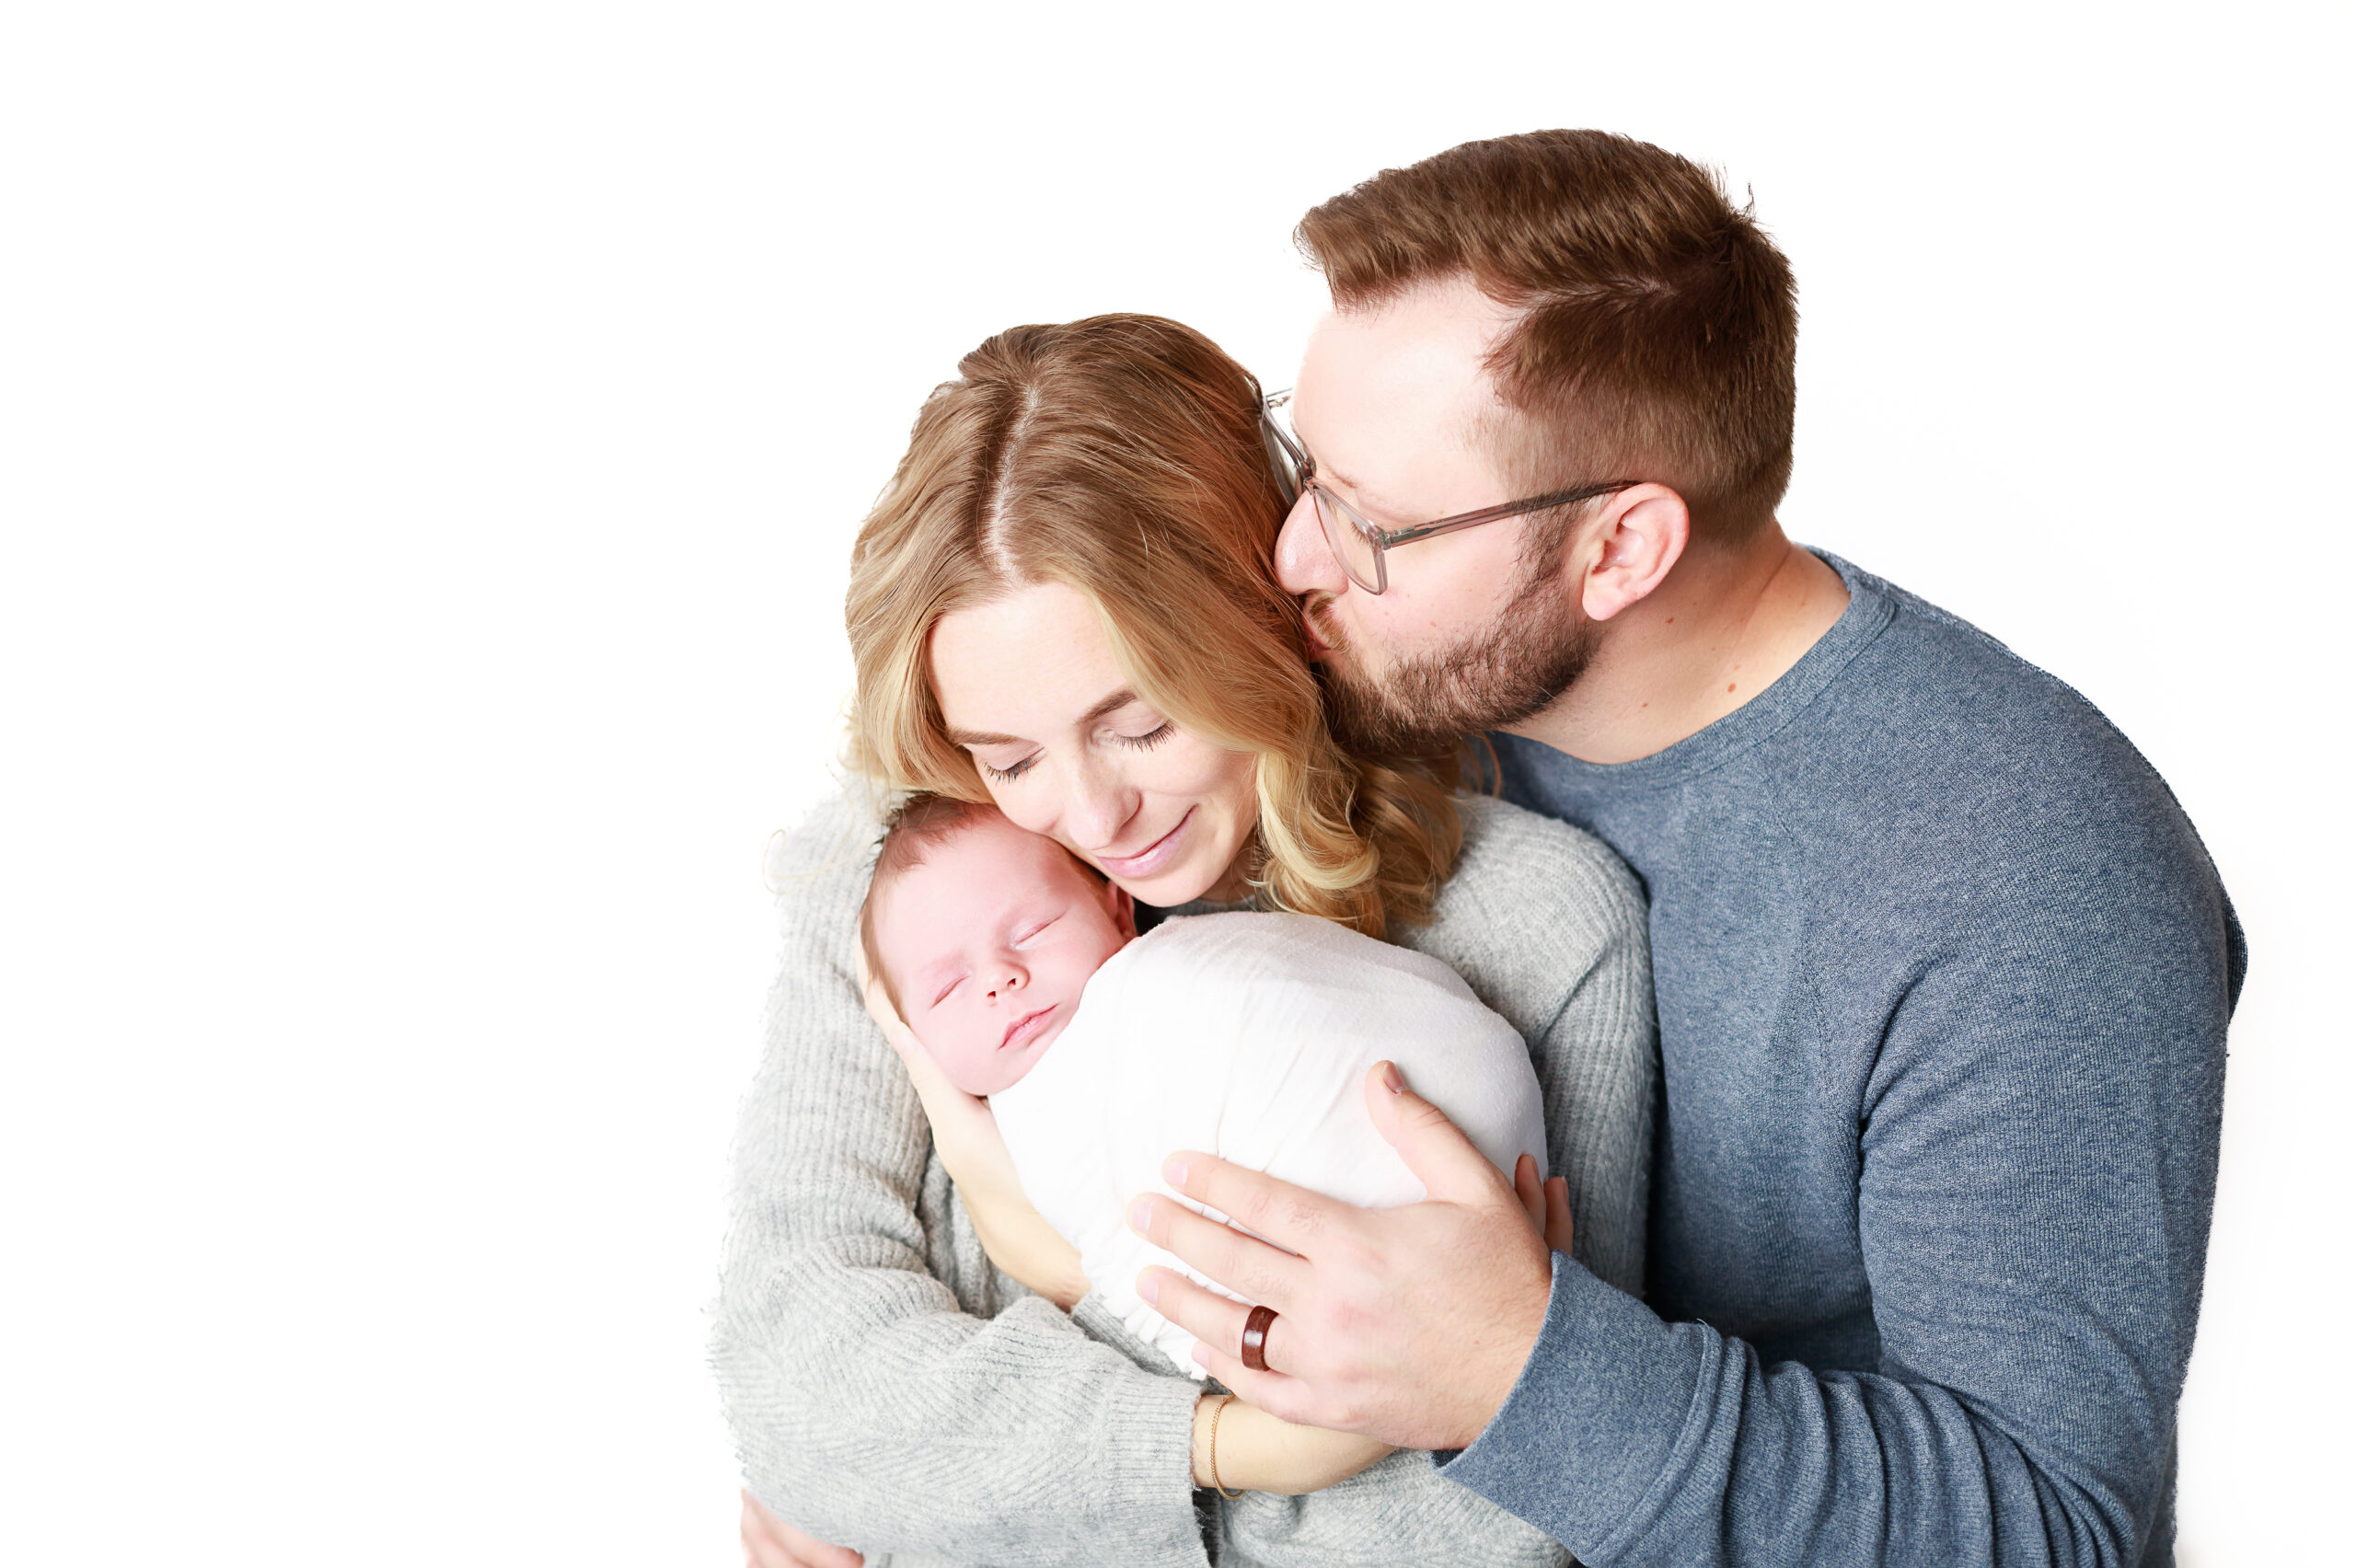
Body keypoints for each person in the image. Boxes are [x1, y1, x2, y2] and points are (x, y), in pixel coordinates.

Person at [1127, 130, 2244, 1567]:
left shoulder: (2031, 879)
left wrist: (1521, 1369)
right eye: (1306, 466)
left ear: (1621, 549)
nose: (1292, 558)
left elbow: (2051, 1528)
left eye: (1372, 522)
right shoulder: (1391, 673)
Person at [712, 313, 1657, 1567]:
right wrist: (1237, 1447)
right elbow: (801, 1401)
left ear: (1265, 626)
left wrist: (1024, 1264)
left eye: (1143, 725)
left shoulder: (1533, 928)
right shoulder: (923, 884)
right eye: (1009, 757)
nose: (1091, 816)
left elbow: (1471, 1535)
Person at [860, 792, 1560, 1379]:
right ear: (908, 1037)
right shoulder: (1005, 1113)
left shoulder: (1152, 990)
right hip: (1492, 1183)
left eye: (1036, 928)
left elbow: (1152, 1295)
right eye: (950, 988)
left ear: (1116, 909)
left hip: (1454, 1221)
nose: (999, 978)